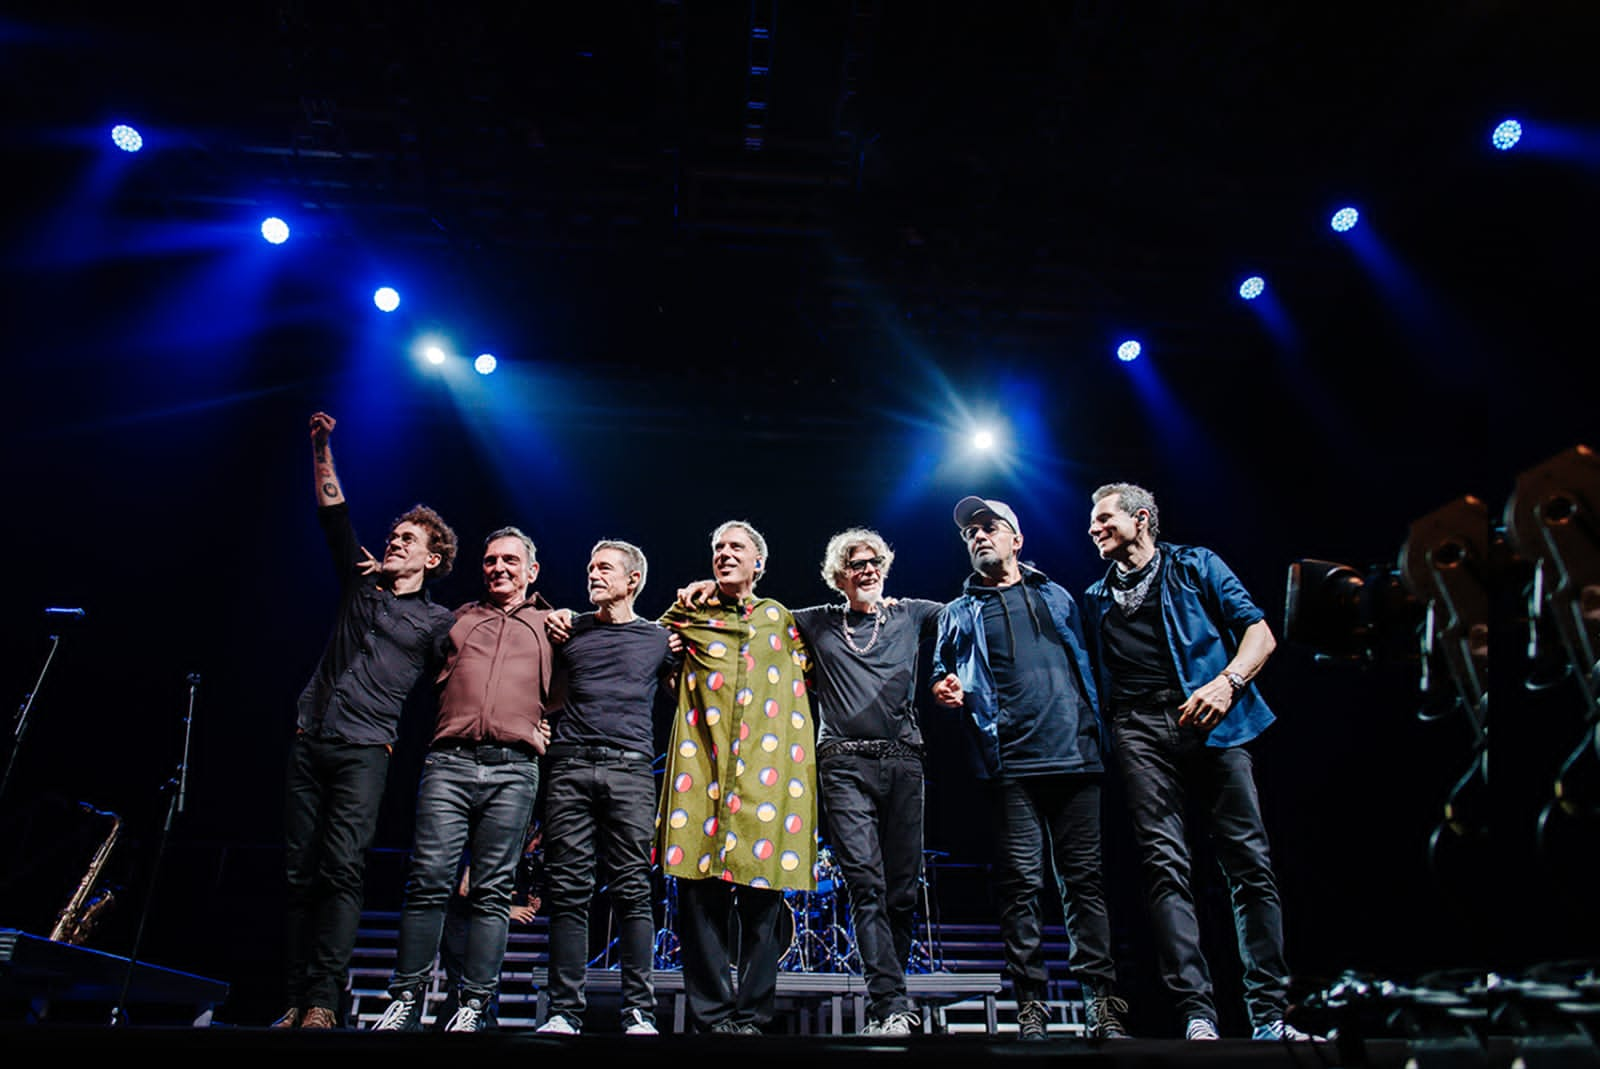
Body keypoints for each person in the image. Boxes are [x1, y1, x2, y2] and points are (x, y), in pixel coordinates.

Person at [1084, 483, 1322, 1042]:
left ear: (1140, 519)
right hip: (1139, 729)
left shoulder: (1196, 566)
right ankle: (1197, 1014)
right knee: (1166, 869)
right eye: (1090, 522)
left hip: (1213, 719)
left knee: (1249, 865)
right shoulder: (1095, 596)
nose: (1093, 529)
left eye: (1103, 519)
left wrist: (1227, 682)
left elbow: (1259, 634)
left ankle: (1269, 1016)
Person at [683, 528, 942, 1035]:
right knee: (866, 884)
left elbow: (966, 621)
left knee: (902, 892)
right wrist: (707, 590)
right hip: (842, 762)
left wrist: (950, 677)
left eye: (873, 561)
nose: (866, 570)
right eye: (854, 564)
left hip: (905, 758)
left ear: (885, 566)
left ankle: (892, 994)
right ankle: (889, 1005)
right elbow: (751, 617)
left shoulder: (913, 613)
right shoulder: (815, 622)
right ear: (839, 576)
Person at [273, 411, 458, 1030]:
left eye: (410, 539)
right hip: (312, 735)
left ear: (432, 559)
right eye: (396, 535)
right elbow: (334, 514)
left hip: (365, 750)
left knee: (341, 869)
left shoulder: (437, 623)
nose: (396, 542)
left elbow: (474, 661)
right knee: (299, 871)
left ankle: (324, 999)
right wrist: (323, 446)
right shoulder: (361, 585)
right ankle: (295, 997)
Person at [930, 496, 1130, 1041]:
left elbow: (1091, 660)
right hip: (1009, 763)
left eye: (989, 527)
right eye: (970, 532)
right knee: (1020, 885)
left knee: (1083, 884)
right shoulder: (957, 612)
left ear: (1017, 539)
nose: (978, 537)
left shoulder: (1058, 596)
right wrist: (943, 686)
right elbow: (942, 672)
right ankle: (1031, 1008)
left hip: (1074, 756)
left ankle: (1102, 1006)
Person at [370, 525, 560, 1032]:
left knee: (493, 891)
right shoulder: (457, 621)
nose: (499, 568)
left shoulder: (552, 625)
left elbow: (577, 682)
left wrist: (538, 722)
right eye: (491, 561)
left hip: (515, 769)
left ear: (531, 571)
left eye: (510, 561)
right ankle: (406, 998)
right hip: (449, 765)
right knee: (428, 881)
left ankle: (474, 1003)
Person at [657, 520, 818, 1034]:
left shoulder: (782, 620)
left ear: (759, 563)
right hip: (701, 775)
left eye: (736, 548)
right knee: (699, 899)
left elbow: (817, 671)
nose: (724, 554)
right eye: (717, 548)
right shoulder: (690, 612)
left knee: (762, 902)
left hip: (765, 781)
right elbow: (641, 644)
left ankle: (752, 1014)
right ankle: (710, 1016)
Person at [535, 540, 679, 1037]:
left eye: (604, 568)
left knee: (634, 890)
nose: (593, 574)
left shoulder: (659, 639)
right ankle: (564, 1011)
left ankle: (639, 1011)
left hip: (631, 770)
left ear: (632, 580)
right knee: (569, 892)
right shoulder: (569, 628)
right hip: (570, 766)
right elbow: (542, 688)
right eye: (590, 566)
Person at [432, 820, 544, 1031]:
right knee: (463, 986)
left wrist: (525, 902)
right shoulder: (488, 846)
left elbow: (498, 894)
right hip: (460, 926)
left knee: (481, 988)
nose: (535, 847)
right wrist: (509, 910)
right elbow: (467, 890)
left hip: (481, 930)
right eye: (535, 841)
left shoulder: (516, 861)